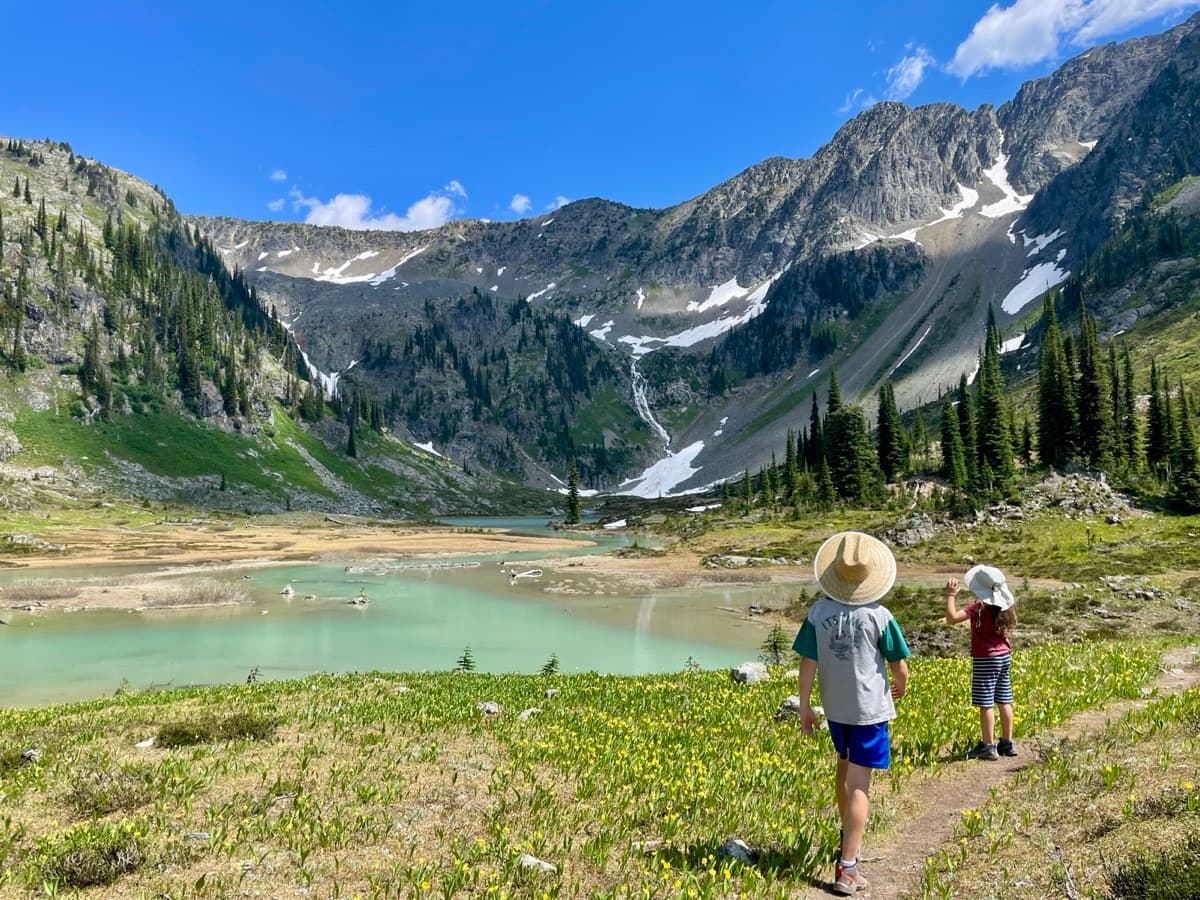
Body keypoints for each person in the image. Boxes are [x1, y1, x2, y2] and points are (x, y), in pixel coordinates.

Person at [794, 531, 910, 896]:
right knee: (860, 785)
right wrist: (901, 684)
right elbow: (899, 665)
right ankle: (847, 867)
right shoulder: (879, 615)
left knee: (843, 770)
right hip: (868, 710)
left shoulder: (818, 612)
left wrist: (804, 705)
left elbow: (807, 662)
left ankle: (847, 836)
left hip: (835, 708)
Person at [945, 564, 1018, 761]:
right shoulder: (1005, 606)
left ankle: (988, 746)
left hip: (986, 658)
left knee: (985, 703)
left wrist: (951, 595)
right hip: (1004, 656)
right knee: (1004, 699)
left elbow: (952, 619)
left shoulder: (977, 607)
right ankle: (1007, 743)